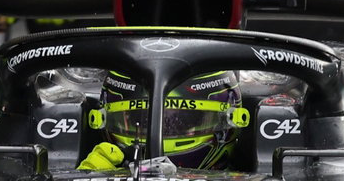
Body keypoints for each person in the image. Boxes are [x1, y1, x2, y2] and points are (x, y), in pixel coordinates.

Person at [78, 71, 247, 170]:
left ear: (231, 121)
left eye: (184, 122)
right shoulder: (99, 170)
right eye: (141, 121)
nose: (160, 135)